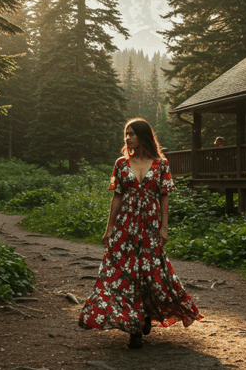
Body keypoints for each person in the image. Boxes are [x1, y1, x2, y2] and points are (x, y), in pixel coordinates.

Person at [78, 118, 202, 349]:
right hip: (126, 226)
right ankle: (134, 327)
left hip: (150, 226)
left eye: (132, 134)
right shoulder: (121, 164)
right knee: (124, 274)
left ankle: (145, 315)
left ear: (143, 136)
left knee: (150, 272)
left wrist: (164, 228)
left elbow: (164, 196)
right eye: (126, 133)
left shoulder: (160, 164)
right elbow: (117, 197)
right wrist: (109, 229)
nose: (127, 138)